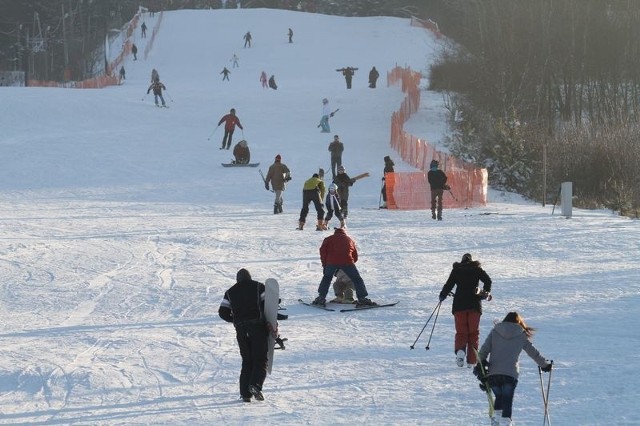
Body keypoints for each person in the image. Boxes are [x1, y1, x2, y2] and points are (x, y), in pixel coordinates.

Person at [478, 312, 553, 426]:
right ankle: (505, 422)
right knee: (507, 399)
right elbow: (533, 352)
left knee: (499, 396)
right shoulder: (521, 334)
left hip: (494, 374)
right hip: (510, 374)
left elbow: (483, 351)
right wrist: (545, 365)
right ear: (518, 322)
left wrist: (480, 366)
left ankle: (496, 420)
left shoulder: (495, 331)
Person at [218, 268, 272, 402]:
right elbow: (269, 306)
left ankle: (245, 394)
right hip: (257, 327)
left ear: (237, 279)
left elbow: (222, 312)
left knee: (247, 361)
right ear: (250, 277)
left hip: (241, 331)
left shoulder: (230, 292)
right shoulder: (259, 286)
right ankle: (255, 385)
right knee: (260, 359)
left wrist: (236, 320)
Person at [439, 253, 492, 368]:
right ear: (471, 260)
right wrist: (485, 292)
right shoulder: (477, 269)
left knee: (461, 332)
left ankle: (460, 352)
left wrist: (442, 296)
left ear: (462, 260)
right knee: (473, 333)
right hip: (474, 306)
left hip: (459, 306)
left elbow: (449, 285)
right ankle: (472, 361)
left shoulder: (457, 270)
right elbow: (488, 280)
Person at [311, 227, 376, 307]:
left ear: (335, 232)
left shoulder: (328, 239)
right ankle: (362, 298)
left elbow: (323, 252)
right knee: (357, 279)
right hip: (347, 261)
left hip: (331, 262)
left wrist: (325, 265)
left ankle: (321, 297)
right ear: (344, 233)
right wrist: (350, 264)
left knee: (327, 278)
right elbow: (355, 256)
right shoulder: (349, 239)